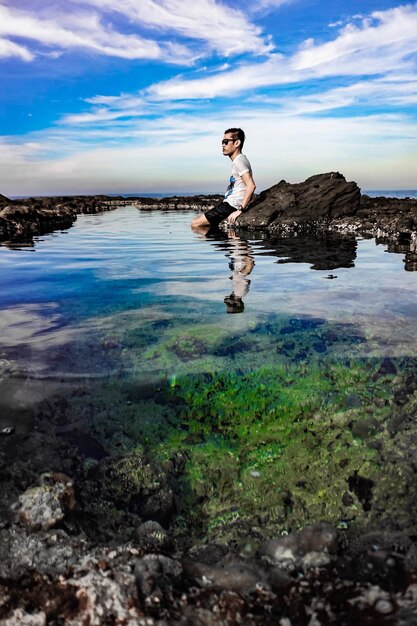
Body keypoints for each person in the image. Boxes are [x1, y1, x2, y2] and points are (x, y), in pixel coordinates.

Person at [191, 128, 256, 229]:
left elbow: (251, 185)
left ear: (237, 143)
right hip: (229, 204)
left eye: (226, 142)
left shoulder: (239, 161)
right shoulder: (240, 159)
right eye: (222, 142)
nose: (223, 145)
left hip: (231, 205)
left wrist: (240, 210)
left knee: (195, 224)